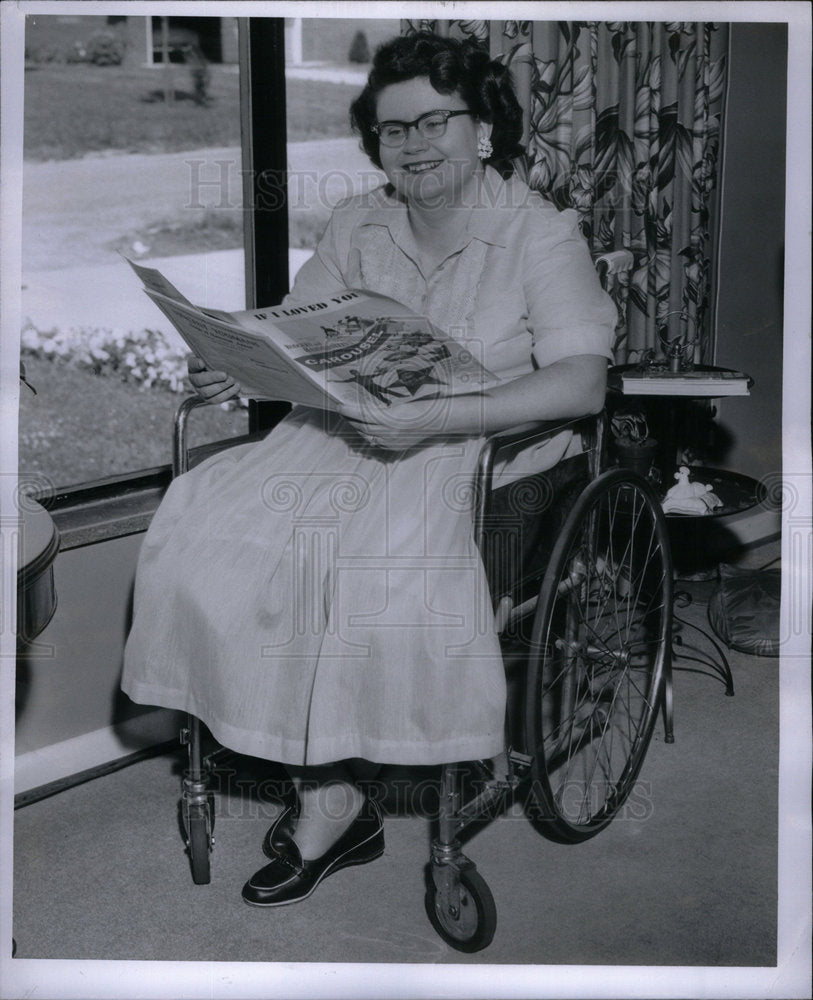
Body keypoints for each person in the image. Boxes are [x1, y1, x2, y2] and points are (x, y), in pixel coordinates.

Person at [121, 32, 617, 908]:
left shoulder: (539, 235)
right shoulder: (357, 224)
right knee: (205, 537)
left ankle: (331, 797)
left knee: (355, 577)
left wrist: (438, 414)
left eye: (436, 121)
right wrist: (232, 360)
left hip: (479, 449)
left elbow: (580, 382)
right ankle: (324, 779)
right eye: (393, 131)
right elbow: (294, 326)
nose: (415, 145)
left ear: (485, 131)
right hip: (342, 436)